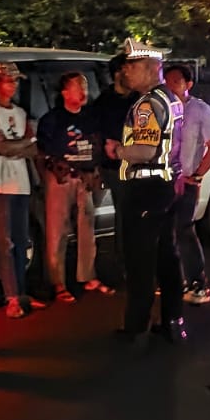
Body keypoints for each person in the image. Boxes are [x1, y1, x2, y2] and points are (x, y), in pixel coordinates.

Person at [106, 39, 187, 345]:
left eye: (131, 65)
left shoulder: (146, 105)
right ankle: (173, 321)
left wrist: (118, 150)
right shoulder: (171, 98)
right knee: (167, 257)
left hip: (145, 188)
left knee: (139, 260)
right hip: (165, 185)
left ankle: (136, 327)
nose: (125, 71)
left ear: (151, 68)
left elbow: (145, 149)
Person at [0, 62, 47, 319]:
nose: (14, 86)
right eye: (9, 80)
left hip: (21, 183)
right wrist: (22, 145)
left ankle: (22, 291)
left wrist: (17, 146)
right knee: (4, 241)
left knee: (21, 240)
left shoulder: (20, 112)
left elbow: (32, 148)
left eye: (16, 81)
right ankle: (11, 297)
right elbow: (1, 147)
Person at [36, 70, 111, 302]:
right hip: (61, 178)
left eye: (85, 86)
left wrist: (95, 171)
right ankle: (58, 282)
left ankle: (88, 275)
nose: (83, 91)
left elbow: (98, 145)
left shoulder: (90, 118)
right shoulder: (52, 120)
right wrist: (54, 171)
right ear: (65, 92)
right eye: (78, 87)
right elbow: (43, 151)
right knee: (57, 231)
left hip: (84, 178)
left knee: (87, 228)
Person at [164, 63, 210, 306]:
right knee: (165, 233)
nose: (169, 86)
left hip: (186, 180)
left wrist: (197, 175)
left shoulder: (200, 110)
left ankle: (198, 283)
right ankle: (172, 281)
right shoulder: (161, 108)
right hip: (163, 180)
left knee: (184, 230)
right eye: (166, 81)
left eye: (175, 81)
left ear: (188, 84)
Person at [88, 52, 138, 281]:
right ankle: (127, 265)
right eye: (130, 68)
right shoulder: (104, 102)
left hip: (139, 163)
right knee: (125, 215)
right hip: (114, 166)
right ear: (119, 73)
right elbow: (95, 136)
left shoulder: (140, 99)